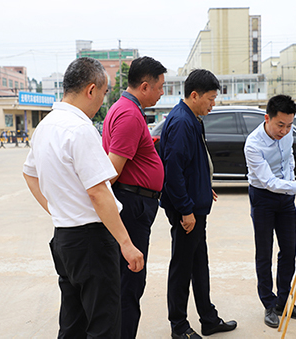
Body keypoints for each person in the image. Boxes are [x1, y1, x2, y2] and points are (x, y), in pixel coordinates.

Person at [22, 57, 144, 338]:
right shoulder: (80, 129)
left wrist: (56, 210)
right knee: (104, 324)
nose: (102, 102)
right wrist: (126, 244)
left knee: (72, 321)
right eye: (103, 94)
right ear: (91, 90)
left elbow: (29, 174)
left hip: (64, 238)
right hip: (91, 241)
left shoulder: (45, 127)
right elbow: (98, 191)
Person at [159, 69, 237, 339]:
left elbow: (194, 164)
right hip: (187, 212)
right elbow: (173, 171)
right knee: (182, 267)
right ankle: (178, 326)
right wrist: (186, 210)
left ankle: (208, 318)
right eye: (211, 99)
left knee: (199, 264)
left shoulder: (192, 119)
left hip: (196, 205)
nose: (213, 104)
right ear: (194, 95)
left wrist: (203, 189)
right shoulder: (182, 122)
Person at [244, 94, 296, 329]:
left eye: (289, 125)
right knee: (264, 251)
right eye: (280, 125)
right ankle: (269, 305)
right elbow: (268, 182)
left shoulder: (288, 133)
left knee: (289, 251)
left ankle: (283, 301)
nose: (284, 130)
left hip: (286, 197)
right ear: (267, 118)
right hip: (263, 198)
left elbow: (289, 158)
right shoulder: (253, 144)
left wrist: (290, 181)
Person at [102, 56, 166, 339]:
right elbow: (112, 172)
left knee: (127, 281)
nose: (162, 92)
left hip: (135, 201)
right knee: (130, 283)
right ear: (144, 86)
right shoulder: (129, 114)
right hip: (132, 204)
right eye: (160, 87)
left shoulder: (125, 108)